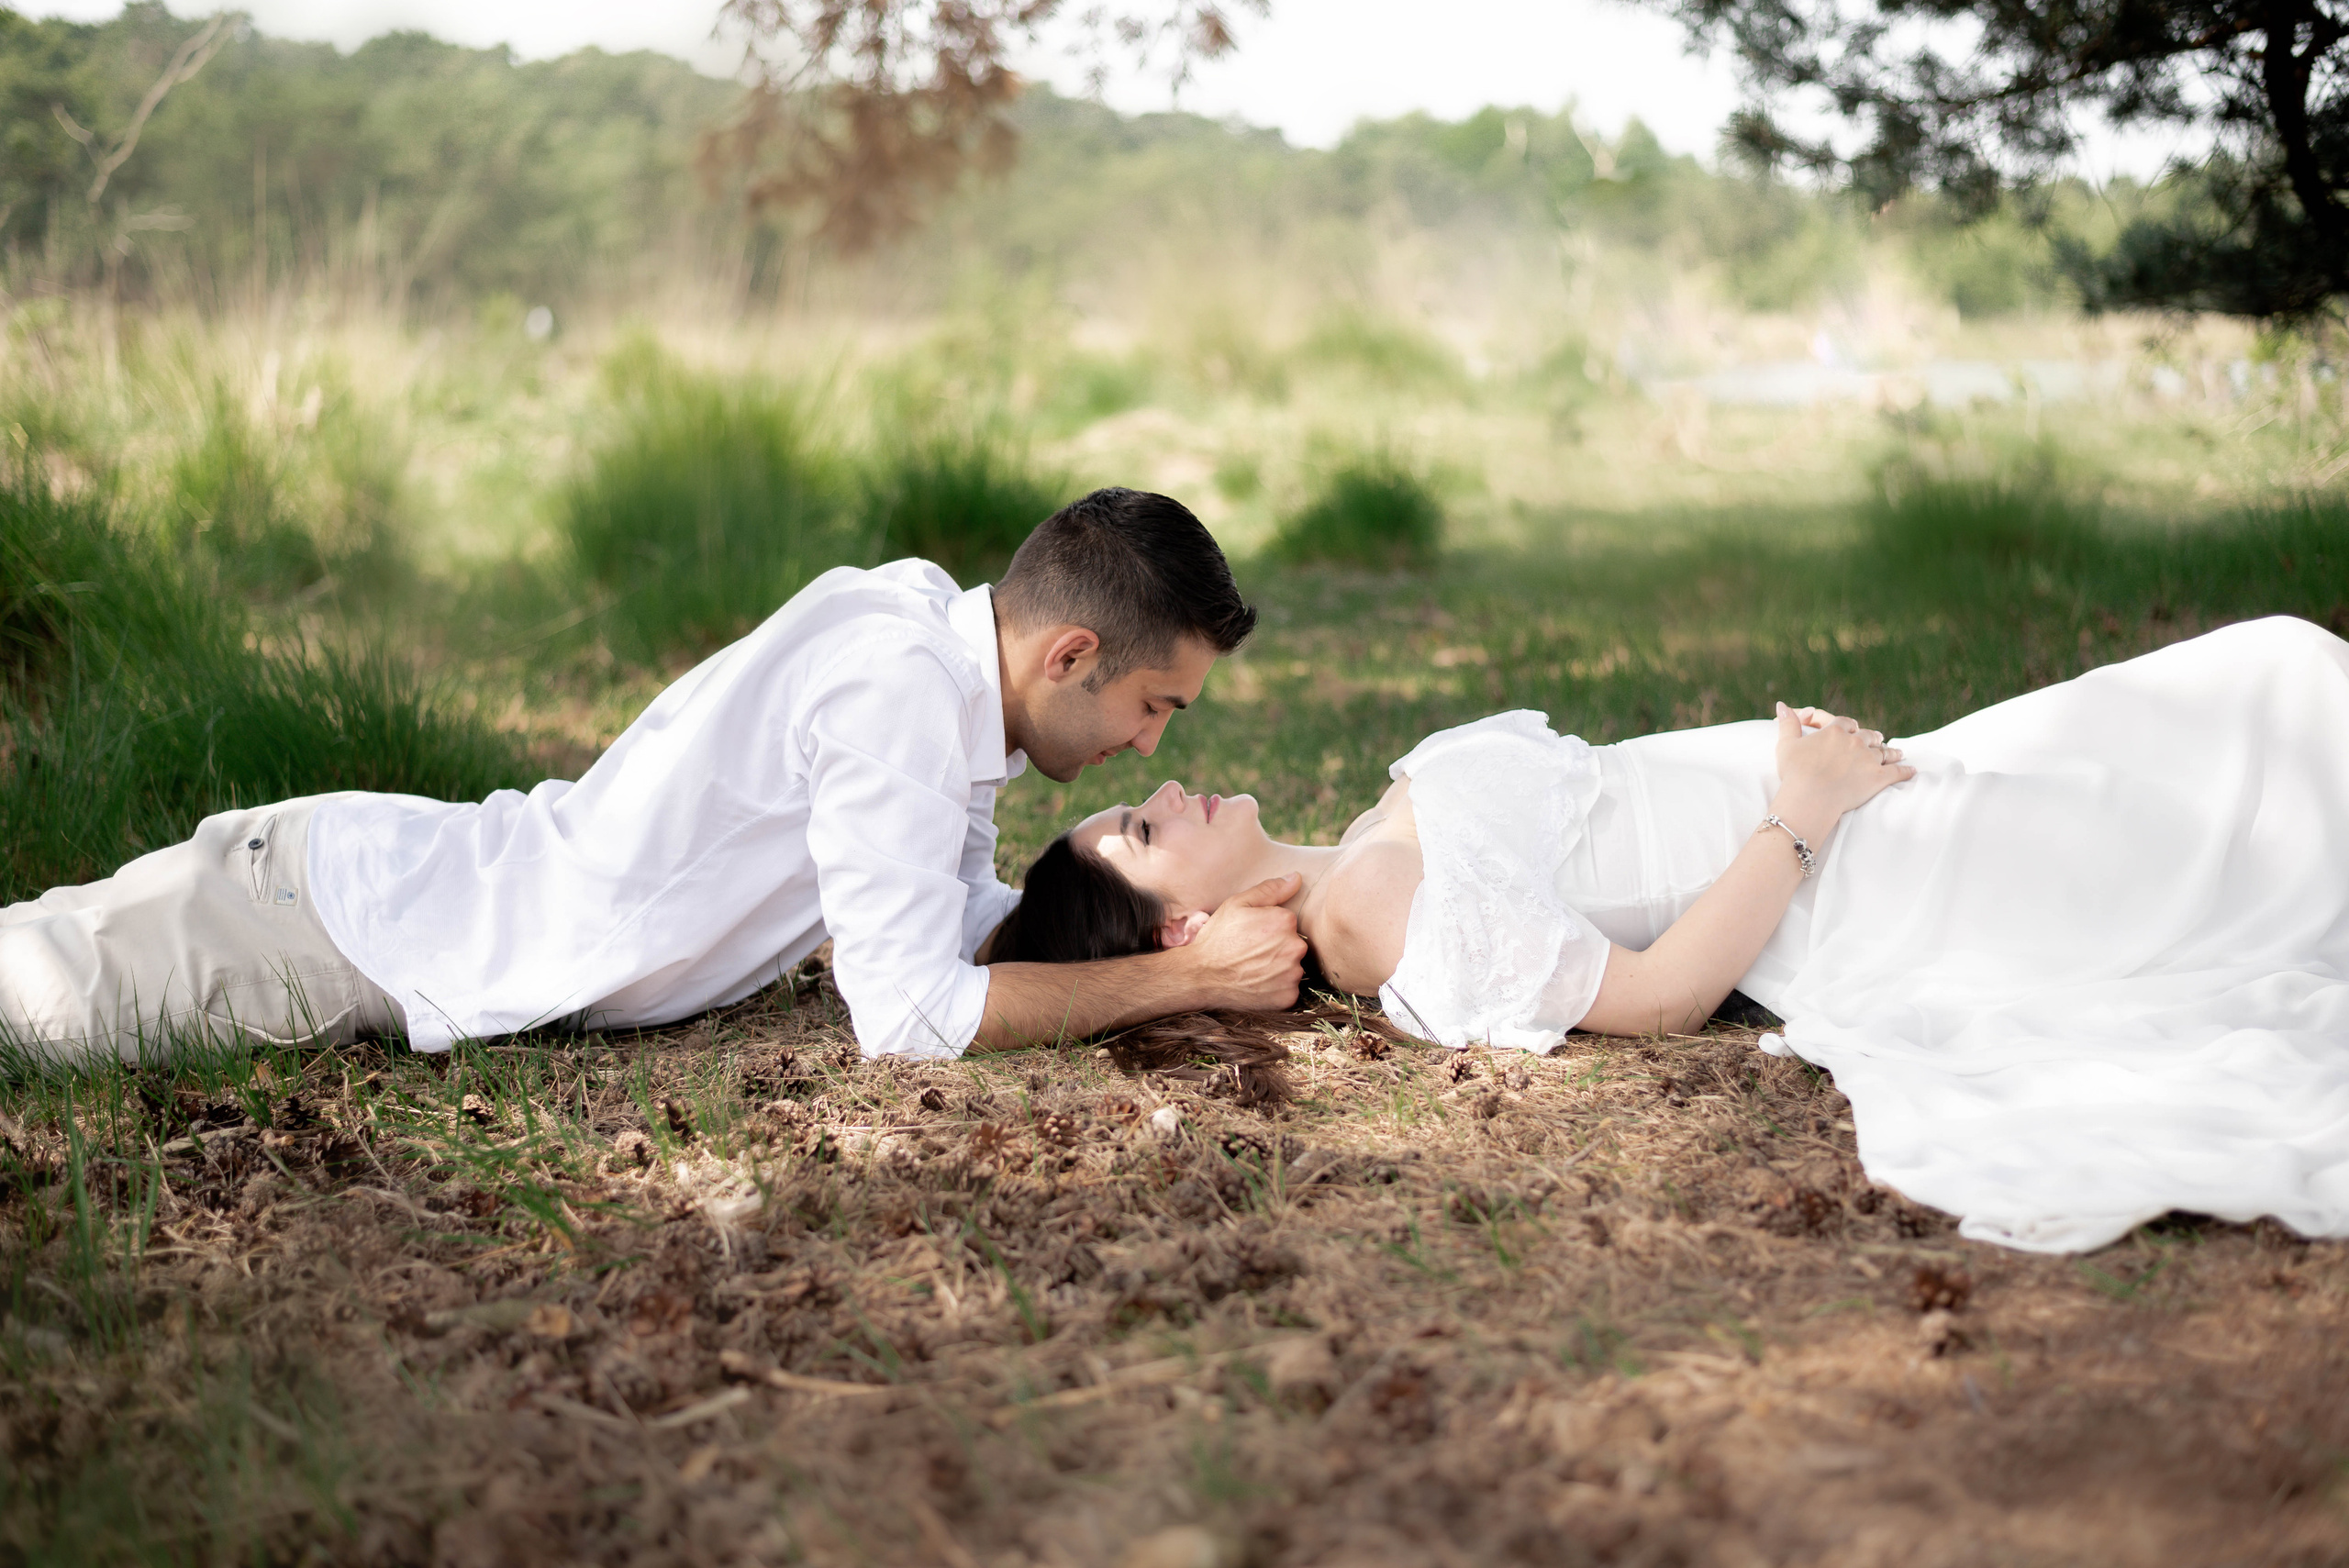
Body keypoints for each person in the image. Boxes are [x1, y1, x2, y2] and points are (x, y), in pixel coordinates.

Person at [996, 616, 2349, 1254]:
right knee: (2250, 754)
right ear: (1177, 921)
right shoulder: (1369, 917)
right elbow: (1653, 996)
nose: (1170, 786)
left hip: (1867, 806)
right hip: (1855, 870)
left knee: (2248, 707)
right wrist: (1802, 817)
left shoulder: (1361, 847)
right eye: (1143, 824)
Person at [0, 487, 1308, 1068]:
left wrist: (1165, 907)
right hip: (329, 927)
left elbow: (960, 931)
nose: (1152, 747)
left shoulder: (940, 659)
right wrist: (1189, 976)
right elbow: (909, 1015)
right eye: (1154, 706)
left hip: (380, 900)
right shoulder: (901, 688)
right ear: (1071, 651)